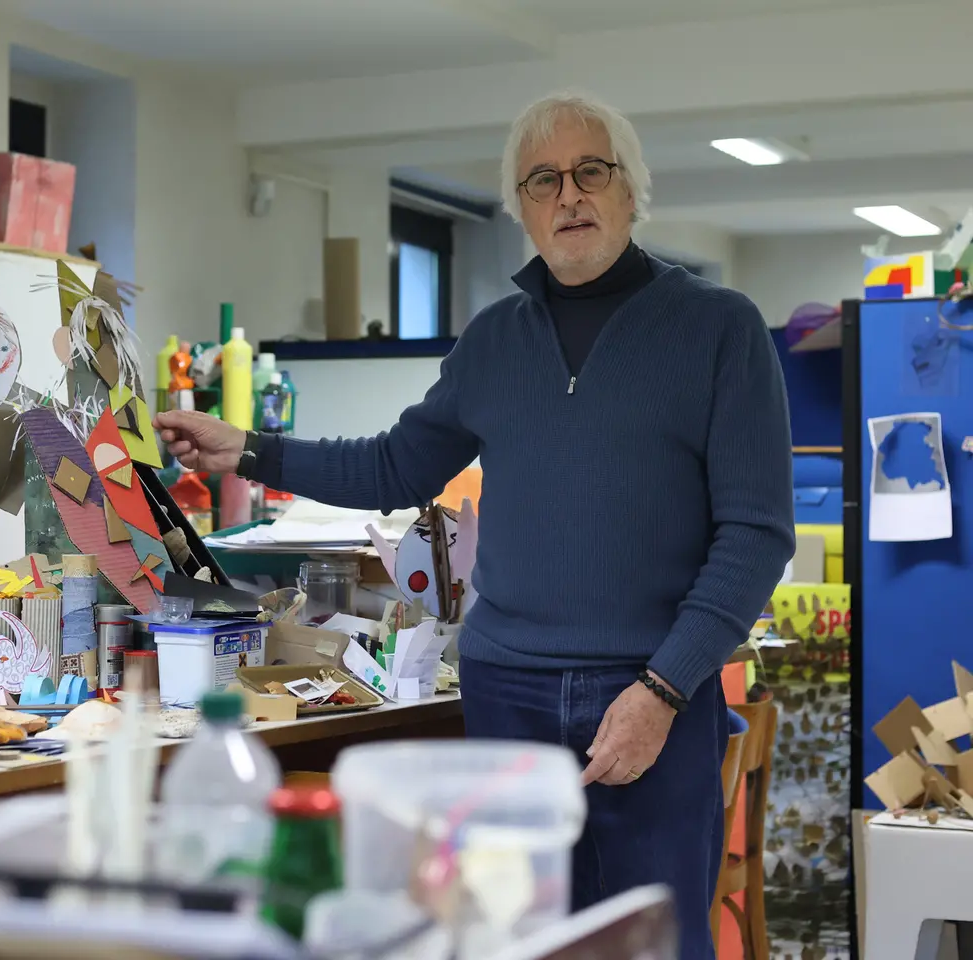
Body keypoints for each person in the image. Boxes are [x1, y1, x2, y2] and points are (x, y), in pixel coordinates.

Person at [155, 91, 794, 959]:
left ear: (630, 190)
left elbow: (756, 534)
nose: (569, 195)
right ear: (523, 209)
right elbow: (394, 464)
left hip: (650, 695)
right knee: (503, 939)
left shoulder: (721, 330)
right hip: (510, 696)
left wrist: (664, 690)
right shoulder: (494, 341)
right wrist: (248, 450)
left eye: (590, 172)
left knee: (652, 942)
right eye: (543, 180)